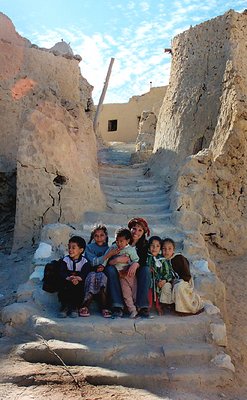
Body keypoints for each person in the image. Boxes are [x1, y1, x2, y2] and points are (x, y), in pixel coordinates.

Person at [105, 217, 150, 318]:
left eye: (140, 230)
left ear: (143, 232)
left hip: (134, 273)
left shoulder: (144, 245)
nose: (136, 232)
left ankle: (142, 306)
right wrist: (116, 260)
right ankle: (117, 306)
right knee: (110, 270)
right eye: (134, 228)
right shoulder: (119, 242)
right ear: (130, 229)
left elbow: (143, 260)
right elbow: (108, 260)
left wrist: (135, 264)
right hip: (119, 272)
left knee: (146, 270)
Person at [80, 224, 118, 318]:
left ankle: (104, 306)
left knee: (103, 278)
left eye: (102, 235)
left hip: (102, 272)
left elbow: (110, 263)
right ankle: (86, 305)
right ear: (93, 237)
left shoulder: (108, 248)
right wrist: (107, 255)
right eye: (96, 236)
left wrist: (104, 266)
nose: (99, 238)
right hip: (91, 271)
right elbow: (93, 262)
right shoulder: (89, 247)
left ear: (106, 236)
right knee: (92, 277)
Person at [162, 238, 204, 315]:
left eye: (169, 249)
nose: (167, 251)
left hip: (184, 281)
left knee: (179, 287)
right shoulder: (163, 261)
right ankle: (171, 306)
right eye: (164, 249)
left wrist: (177, 281)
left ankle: (188, 309)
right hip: (172, 282)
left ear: (173, 250)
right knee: (166, 286)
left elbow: (186, 275)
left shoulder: (179, 258)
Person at [107, 228, 139, 318]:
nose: (119, 243)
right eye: (117, 240)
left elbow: (136, 260)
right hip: (120, 276)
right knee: (126, 294)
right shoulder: (113, 248)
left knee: (134, 292)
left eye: (121, 241)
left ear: (127, 241)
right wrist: (116, 260)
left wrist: (131, 265)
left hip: (130, 275)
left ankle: (138, 308)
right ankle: (132, 310)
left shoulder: (131, 250)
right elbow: (109, 262)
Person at [57, 236, 91, 318]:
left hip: (78, 282)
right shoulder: (65, 260)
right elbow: (62, 271)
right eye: (69, 247)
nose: (70, 250)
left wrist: (79, 278)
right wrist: (68, 278)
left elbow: (85, 272)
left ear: (81, 250)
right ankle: (64, 306)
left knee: (78, 288)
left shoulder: (84, 261)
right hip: (68, 280)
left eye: (73, 248)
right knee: (63, 286)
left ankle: (74, 307)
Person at [146, 236, 175, 315]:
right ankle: (148, 306)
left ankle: (159, 307)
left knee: (159, 292)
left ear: (160, 249)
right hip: (149, 281)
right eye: (152, 245)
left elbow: (168, 272)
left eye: (157, 246)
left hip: (159, 281)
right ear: (149, 247)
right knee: (149, 292)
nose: (154, 248)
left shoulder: (162, 260)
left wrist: (164, 279)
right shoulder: (147, 257)